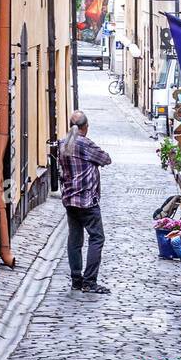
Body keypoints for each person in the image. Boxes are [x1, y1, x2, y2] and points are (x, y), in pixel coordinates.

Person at [57, 110, 113, 294]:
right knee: (97, 238)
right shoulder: (85, 144)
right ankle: (89, 281)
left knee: (75, 239)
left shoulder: (62, 143)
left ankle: (76, 280)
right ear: (85, 127)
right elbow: (106, 159)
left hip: (69, 199)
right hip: (87, 200)